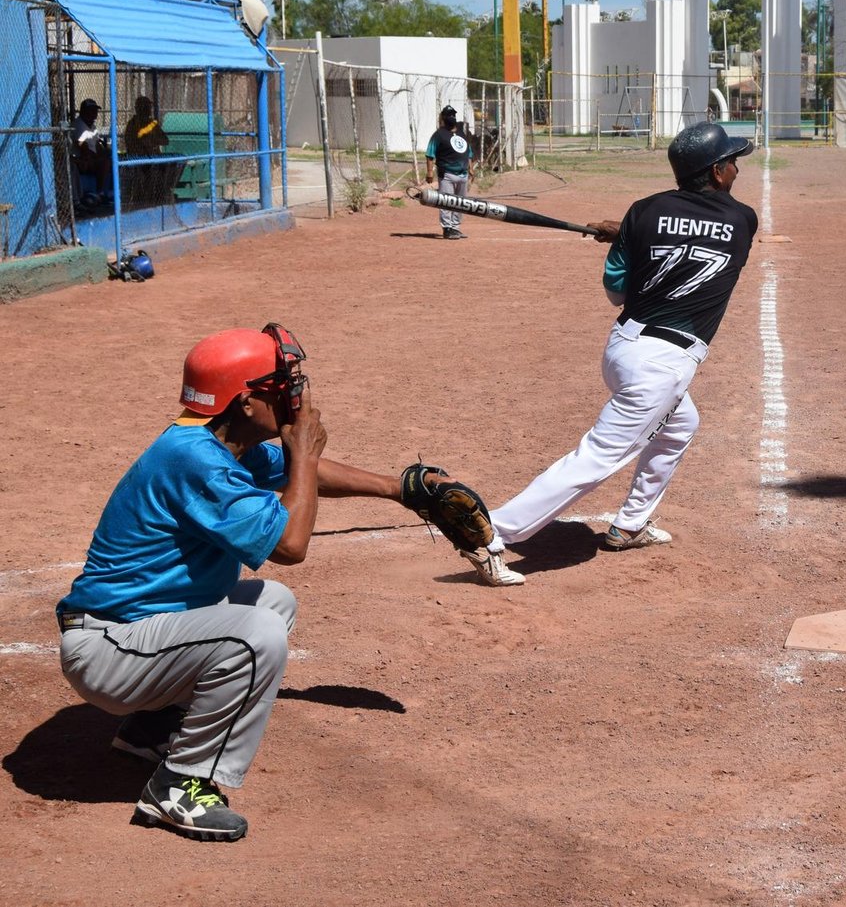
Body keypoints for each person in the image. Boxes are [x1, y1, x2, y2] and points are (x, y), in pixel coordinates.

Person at [55, 323, 518, 842]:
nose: (296, 396)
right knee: (255, 636)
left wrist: (400, 489)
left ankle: (152, 729)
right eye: (281, 386)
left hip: (138, 634)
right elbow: (291, 545)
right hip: (110, 651)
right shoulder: (194, 461)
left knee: (270, 602)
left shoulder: (216, 439)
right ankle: (179, 787)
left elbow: (304, 475)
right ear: (248, 401)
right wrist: (304, 452)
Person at [481, 122, 760, 580]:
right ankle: (490, 531)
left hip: (624, 348)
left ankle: (630, 525)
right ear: (714, 172)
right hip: (663, 363)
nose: (736, 169)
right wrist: (634, 235)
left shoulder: (643, 211)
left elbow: (617, 289)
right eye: (731, 162)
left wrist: (628, 234)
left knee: (681, 425)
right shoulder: (744, 219)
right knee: (597, 458)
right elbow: (703, 239)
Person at [424, 104, 476, 240]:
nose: (451, 117)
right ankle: (447, 228)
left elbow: (468, 152)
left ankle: (455, 228)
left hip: (463, 174)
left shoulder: (461, 133)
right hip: (447, 174)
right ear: (443, 118)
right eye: (448, 115)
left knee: (461, 202)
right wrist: (430, 172)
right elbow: (430, 154)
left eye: (453, 114)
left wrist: (470, 168)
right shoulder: (438, 134)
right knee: (446, 201)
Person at [124, 96, 172, 204]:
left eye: (148, 107)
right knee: (149, 171)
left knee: (169, 166)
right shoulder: (133, 124)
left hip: (154, 156)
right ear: (138, 108)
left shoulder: (152, 123)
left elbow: (165, 140)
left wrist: (152, 141)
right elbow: (131, 143)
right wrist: (143, 144)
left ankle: (162, 194)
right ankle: (146, 197)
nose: (148, 109)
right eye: (145, 107)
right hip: (138, 157)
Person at [71, 98, 112, 198]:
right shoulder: (78, 124)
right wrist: (98, 157)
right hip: (80, 159)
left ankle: (110, 192)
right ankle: (99, 192)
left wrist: (105, 152)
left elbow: (97, 145)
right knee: (104, 163)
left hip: (92, 158)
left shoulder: (92, 126)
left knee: (110, 159)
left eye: (95, 110)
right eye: (91, 110)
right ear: (84, 111)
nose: (95, 113)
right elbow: (82, 146)